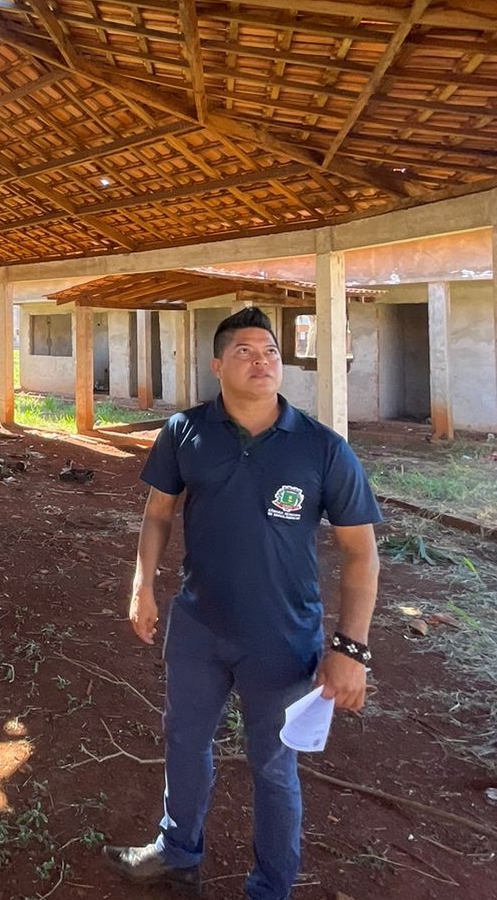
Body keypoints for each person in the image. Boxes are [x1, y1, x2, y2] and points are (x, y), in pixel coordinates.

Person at [101, 307, 381, 899]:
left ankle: (271, 887)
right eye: (247, 351)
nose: (262, 361)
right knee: (184, 741)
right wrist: (142, 583)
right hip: (199, 627)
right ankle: (178, 852)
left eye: (271, 351)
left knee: (274, 765)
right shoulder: (185, 432)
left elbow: (361, 554)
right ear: (217, 365)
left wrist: (350, 647)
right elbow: (158, 513)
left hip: (282, 638)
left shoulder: (321, 448)